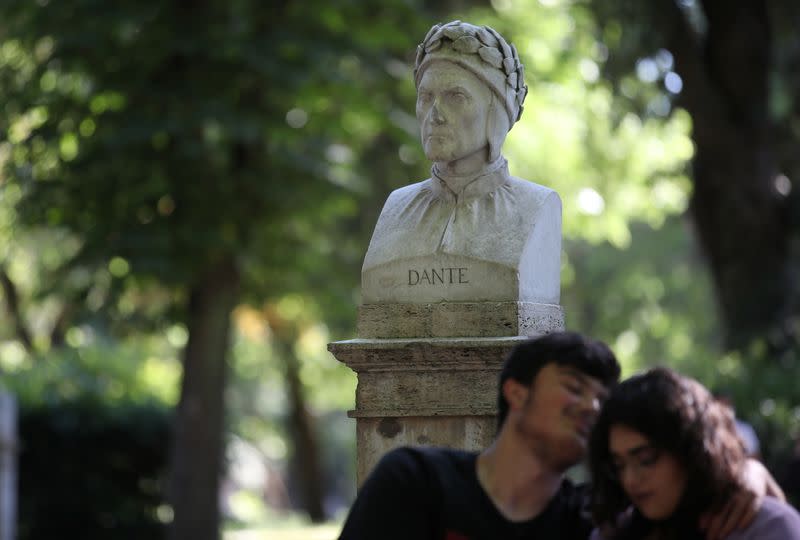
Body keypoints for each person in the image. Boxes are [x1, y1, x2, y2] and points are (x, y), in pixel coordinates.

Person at [338, 333, 766, 540]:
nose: (591, 408)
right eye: (574, 387)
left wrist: (746, 472)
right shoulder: (415, 483)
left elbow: (689, 487)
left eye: (602, 399)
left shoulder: (592, 521)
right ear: (516, 393)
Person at [361, 20, 561, 306]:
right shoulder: (397, 207)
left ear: (498, 111)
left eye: (456, 97)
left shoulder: (536, 206)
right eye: (426, 97)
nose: (434, 114)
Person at [588, 367, 800, 540]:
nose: (630, 480)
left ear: (690, 450)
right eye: (619, 465)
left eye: (646, 460)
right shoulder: (612, 534)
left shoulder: (767, 527)